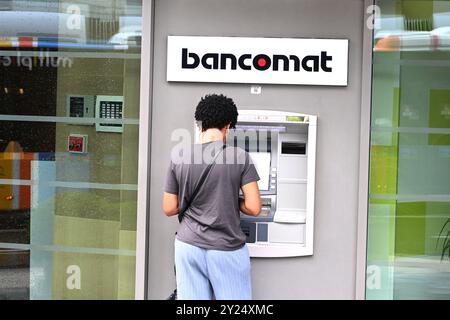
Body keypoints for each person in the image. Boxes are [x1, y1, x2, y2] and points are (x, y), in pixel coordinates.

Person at [162, 93, 261, 300]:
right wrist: (231, 198)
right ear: (228, 125)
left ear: (200, 124)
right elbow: (254, 207)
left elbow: (169, 208)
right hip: (227, 248)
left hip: (188, 246)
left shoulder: (179, 155)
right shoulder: (240, 157)